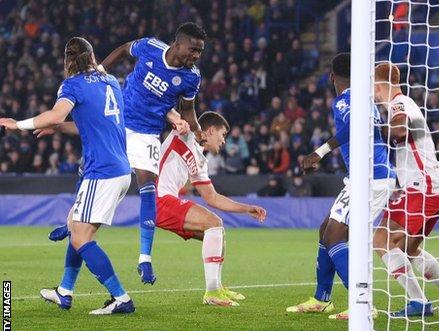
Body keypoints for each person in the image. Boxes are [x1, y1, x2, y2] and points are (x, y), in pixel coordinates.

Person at [51, 22, 206, 285]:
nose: (196, 56)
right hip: (119, 123)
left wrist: (197, 129)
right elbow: (124, 49)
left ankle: (144, 257)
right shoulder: (150, 47)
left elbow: (188, 111)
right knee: (90, 175)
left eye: (200, 52)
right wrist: (101, 69)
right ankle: (71, 225)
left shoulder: (192, 77)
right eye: (193, 50)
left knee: (147, 188)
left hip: (147, 133)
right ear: (178, 44)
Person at [0, 37, 134, 314]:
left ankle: (121, 299)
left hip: (102, 172)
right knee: (75, 226)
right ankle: (65, 291)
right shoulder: (111, 81)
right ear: (92, 56)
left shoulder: (73, 85)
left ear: (67, 60)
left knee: (81, 238)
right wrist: (60, 129)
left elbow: (54, 115)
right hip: (120, 169)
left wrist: (17, 125)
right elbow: (92, 123)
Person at [286, 53, 396, 320]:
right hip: (364, 176)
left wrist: (319, 152)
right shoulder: (364, 99)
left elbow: (355, 127)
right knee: (326, 229)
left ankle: (362, 303)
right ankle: (321, 298)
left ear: (332, 77)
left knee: (336, 235)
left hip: (370, 178)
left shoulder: (347, 99)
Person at [372, 62, 439, 317]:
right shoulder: (402, 103)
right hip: (428, 188)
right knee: (408, 248)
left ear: (379, 84)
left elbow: (400, 129)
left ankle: (419, 301)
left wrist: (372, 132)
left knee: (382, 240)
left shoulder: (399, 103)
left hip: (423, 188)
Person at [156, 111, 266, 305]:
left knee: (218, 232)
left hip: (168, 202)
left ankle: (217, 286)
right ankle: (212, 292)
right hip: (159, 200)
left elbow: (212, 198)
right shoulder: (186, 134)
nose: (224, 141)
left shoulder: (200, 161)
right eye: (222, 135)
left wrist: (246, 208)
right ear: (211, 130)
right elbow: (186, 110)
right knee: (213, 223)